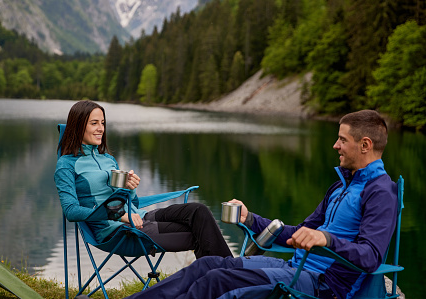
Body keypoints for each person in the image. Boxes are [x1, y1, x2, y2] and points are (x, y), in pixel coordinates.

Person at [125, 109, 397, 299]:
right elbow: (298, 233)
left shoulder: (380, 192)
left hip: (324, 284)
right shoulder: (341, 186)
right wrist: (250, 219)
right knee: (206, 265)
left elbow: (371, 256)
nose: (335, 145)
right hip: (295, 267)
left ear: (365, 145)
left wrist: (325, 238)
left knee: (217, 280)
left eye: (342, 140)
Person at [55, 100, 232, 259]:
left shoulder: (108, 159)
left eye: (102, 123)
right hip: (119, 233)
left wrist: (130, 188)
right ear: (78, 126)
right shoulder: (66, 165)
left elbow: (135, 203)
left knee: (198, 211)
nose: (101, 128)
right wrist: (120, 215)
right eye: (94, 123)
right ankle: (232, 277)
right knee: (203, 236)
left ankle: (225, 277)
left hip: (140, 218)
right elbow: (71, 211)